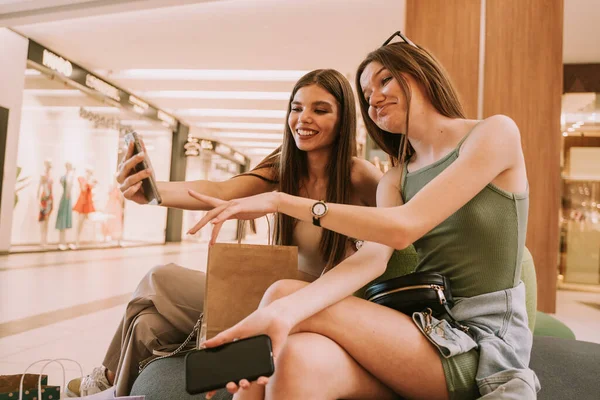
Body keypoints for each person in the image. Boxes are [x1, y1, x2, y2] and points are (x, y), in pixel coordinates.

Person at [193, 32, 539, 400]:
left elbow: (404, 227)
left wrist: (282, 202)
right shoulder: (395, 178)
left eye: (385, 79)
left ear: (421, 72)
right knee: (293, 356)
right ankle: (238, 366)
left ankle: (236, 361)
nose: (374, 96)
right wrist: (284, 313)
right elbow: (369, 261)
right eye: (366, 93)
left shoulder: (494, 133)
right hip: (420, 331)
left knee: (283, 296)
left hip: (481, 344)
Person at [67, 68, 383, 397]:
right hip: (270, 292)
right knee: (146, 319)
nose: (304, 118)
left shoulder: (359, 175)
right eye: (296, 107)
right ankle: (111, 386)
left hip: (316, 304)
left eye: (320, 110)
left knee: (158, 279)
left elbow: (397, 229)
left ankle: (103, 380)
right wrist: (153, 192)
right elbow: (220, 189)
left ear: (343, 118)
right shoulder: (284, 167)